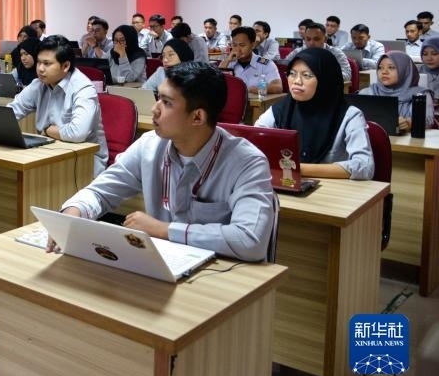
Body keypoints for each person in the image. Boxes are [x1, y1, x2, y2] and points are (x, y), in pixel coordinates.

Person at [53, 63, 275, 262]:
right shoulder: (150, 145)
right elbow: (101, 192)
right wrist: (74, 212)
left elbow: (250, 239)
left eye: (166, 103)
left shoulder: (247, 162)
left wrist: (165, 230)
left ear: (197, 117)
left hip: (220, 272)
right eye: (158, 98)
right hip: (162, 264)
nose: (154, 109)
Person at [255, 48, 374, 180]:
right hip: (288, 184)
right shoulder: (281, 109)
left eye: (307, 75)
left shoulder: (349, 116)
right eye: (292, 74)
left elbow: (364, 167)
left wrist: (298, 168)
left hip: (333, 190)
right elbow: (252, 142)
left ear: (325, 80)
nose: (297, 81)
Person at [7, 35, 109, 172]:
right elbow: (12, 111)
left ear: (65, 66)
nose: (40, 69)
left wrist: (47, 130)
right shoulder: (39, 84)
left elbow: (78, 133)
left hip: (84, 161)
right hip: (50, 152)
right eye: (39, 62)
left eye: (47, 63)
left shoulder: (83, 88)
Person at [359, 51, 435, 133]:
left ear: (404, 70)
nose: (384, 72)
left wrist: (410, 123)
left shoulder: (421, 95)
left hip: (407, 140)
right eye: (380, 68)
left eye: (391, 67)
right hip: (373, 139)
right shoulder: (367, 93)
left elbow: (428, 121)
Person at [219, 27, 283, 93]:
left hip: (255, 99)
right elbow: (216, 83)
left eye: (242, 45)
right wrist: (227, 60)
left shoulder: (265, 63)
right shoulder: (228, 62)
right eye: (234, 45)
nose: (237, 49)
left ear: (252, 45)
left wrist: (255, 90)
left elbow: (277, 87)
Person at [282, 21, 351, 81]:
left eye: (316, 39)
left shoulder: (336, 53)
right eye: (308, 39)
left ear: (325, 39)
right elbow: (284, 66)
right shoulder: (299, 52)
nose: (311, 43)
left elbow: (347, 75)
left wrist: (320, 77)